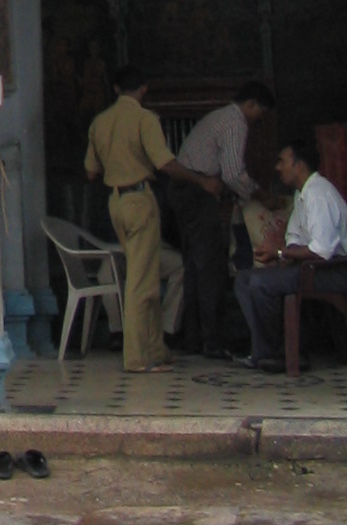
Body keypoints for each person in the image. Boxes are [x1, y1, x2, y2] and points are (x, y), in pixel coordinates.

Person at [84, 66, 221, 374]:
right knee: (141, 282)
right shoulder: (146, 119)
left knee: (145, 271)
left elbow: (91, 172)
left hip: (116, 203)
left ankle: (156, 349)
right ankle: (136, 357)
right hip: (139, 200)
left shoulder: (100, 122)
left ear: (116, 88)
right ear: (144, 89)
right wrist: (201, 181)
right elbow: (166, 164)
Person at [172, 80, 275, 359]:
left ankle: (193, 338)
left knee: (195, 267)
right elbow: (233, 174)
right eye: (260, 113)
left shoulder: (219, 117)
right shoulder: (235, 123)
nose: (258, 120)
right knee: (211, 268)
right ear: (251, 104)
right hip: (196, 193)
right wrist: (260, 196)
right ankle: (213, 341)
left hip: (184, 193)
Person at [232, 141, 347, 372]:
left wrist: (281, 253)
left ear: (299, 165)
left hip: (333, 271)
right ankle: (264, 351)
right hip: (310, 267)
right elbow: (294, 236)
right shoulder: (301, 194)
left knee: (260, 283)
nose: (278, 167)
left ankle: (283, 351)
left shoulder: (318, 194)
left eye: (282, 161)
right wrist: (286, 256)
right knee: (243, 279)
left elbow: (321, 250)